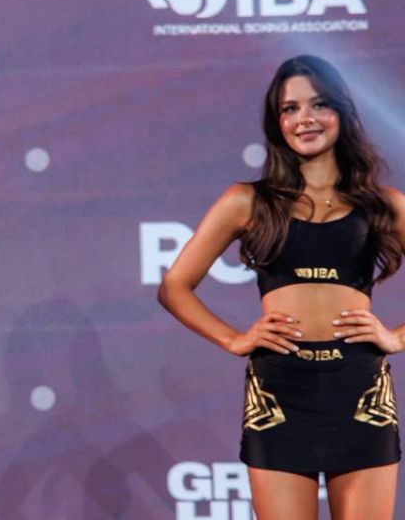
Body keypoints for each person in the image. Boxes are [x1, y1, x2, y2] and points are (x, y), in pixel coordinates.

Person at [158, 55, 405, 520]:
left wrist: (395, 337)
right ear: (277, 122)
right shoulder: (247, 201)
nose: (304, 119)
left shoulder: (383, 205)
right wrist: (234, 339)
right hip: (279, 393)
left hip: (360, 391)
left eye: (319, 104)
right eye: (290, 108)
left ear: (342, 112)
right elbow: (175, 286)